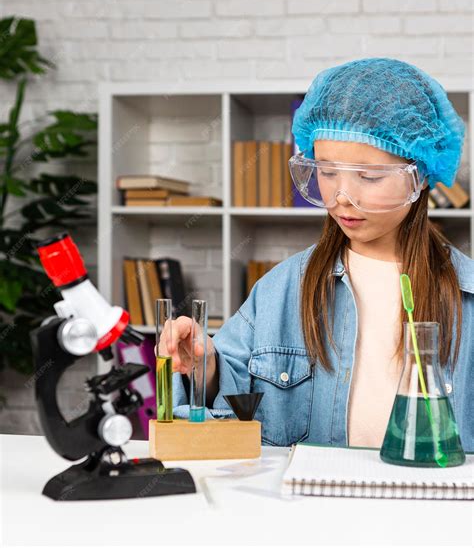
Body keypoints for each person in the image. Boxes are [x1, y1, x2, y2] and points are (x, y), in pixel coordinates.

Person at [155, 58, 474, 451]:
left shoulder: (467, 297)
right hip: (309, 509)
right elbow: (225, 398)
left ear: (420, 176)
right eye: (325, 171)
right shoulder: (281, 289)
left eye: (369, 177)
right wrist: (203, 366)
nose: (341, 197)